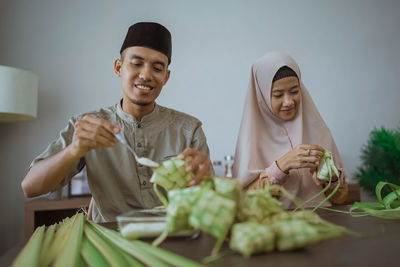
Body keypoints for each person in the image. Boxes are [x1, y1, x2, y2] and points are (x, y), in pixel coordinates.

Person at [21, 22, 212, 222]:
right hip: (110, 241)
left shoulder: (189, 130)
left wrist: (205, 178)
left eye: (157, 68)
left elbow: (207, 202)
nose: (146, 75)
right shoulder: (88, 126)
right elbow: (30, 187)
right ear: (118, 67)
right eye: (136, 63)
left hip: (172, 238)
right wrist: (74, 150)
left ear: (166, 76)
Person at [232, 52, 348, 209]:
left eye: (294, 91)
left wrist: (332, 179)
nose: (288, 102)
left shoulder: (318, 129)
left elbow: (340, 199)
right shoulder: (250, 140)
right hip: (273, 225)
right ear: (262, 96)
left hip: (321, 221)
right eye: (278, 95)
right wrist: (281, 167)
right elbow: (244, 202)